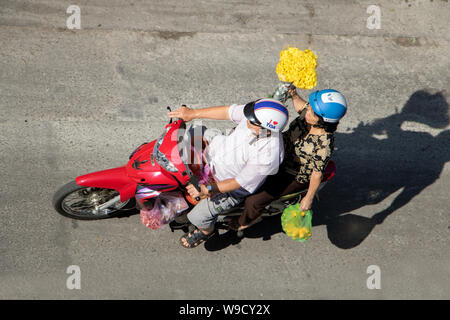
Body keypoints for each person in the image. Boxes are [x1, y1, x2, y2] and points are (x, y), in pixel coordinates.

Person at [168, 99, 289, 248]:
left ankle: (207, 231)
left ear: (266, 128)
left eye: (250, 121)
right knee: (193, 130)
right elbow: (227, 111)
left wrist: (207, 189)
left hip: (227, 186)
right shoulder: (255, 115)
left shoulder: (268, 154)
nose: (246, 120)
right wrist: (192, 113)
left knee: (197, 217)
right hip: (216, 151)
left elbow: (238, 182)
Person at [229, 87, 347, 231]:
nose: (307, 109)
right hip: (277, 151)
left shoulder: (323, 146)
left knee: (254, 200)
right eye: (309, 106)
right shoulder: (309, 115)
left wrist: (308, 199)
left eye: (311, 111)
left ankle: (244, 221)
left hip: (291, 174)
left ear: (322, 121)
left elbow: (317, 174)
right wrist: (293, 93)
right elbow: (301, 106)